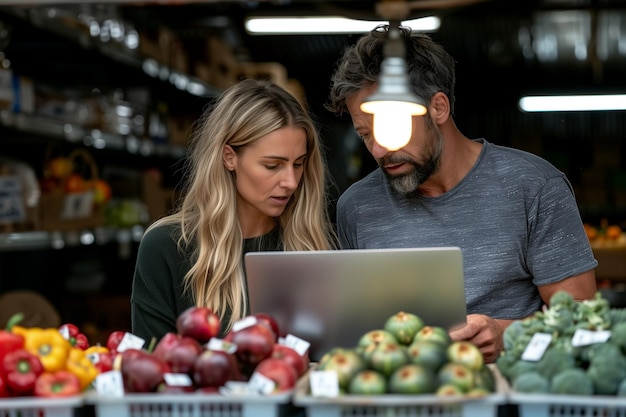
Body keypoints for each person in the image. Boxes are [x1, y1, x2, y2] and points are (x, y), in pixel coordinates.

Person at [325, 25, 597, 363]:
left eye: (390, 128)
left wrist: (507, 335)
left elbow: (583, 320)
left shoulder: (533, 186)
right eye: (365, 134)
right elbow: (353, 329)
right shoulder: (356, 208)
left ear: (438, 108)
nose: (380, 149)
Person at [131, 79, 337, 342]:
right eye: (273, 165)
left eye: (298, 164)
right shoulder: (166, 246)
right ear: (229, 157)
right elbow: (149, 368)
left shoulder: (314, 249)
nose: (291, 182)